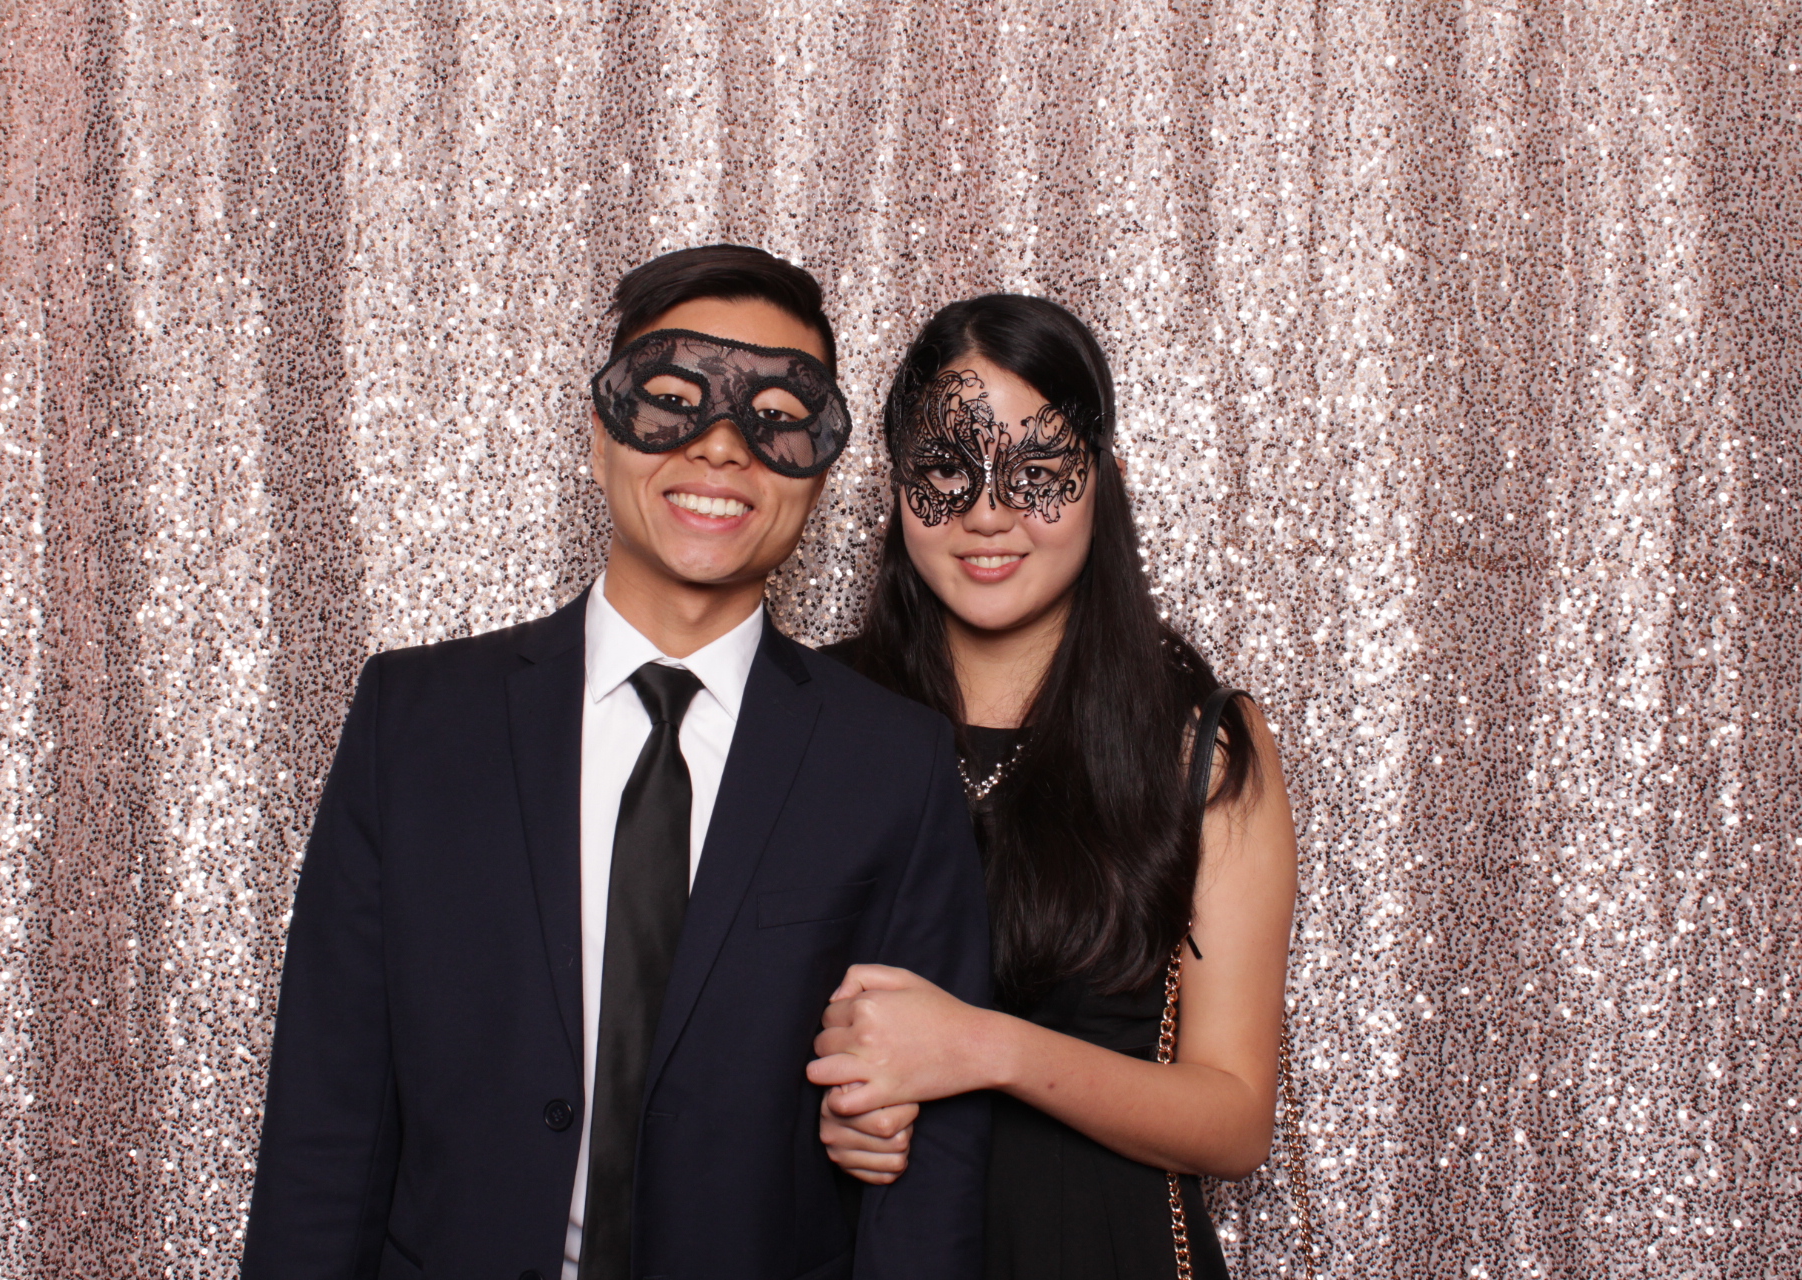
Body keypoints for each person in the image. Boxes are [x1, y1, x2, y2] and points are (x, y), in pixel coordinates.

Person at [243, 246, 991, 1280]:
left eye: (777, 417)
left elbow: (929, 1166)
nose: (722, 446)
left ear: (819, 473)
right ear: (600, 438)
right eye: (673, 401)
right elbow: (328, 1112)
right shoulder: (415, 725)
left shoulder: (892, 764)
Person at [809, 294, 1298, 1279]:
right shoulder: (811, 716)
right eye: (946, 468)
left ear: (1102, 480)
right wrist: (831, 1101)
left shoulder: (1197, 743)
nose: (988, 513)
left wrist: (988, 1049)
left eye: (1036, 472)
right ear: (897, 483)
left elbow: (1237, 1117)